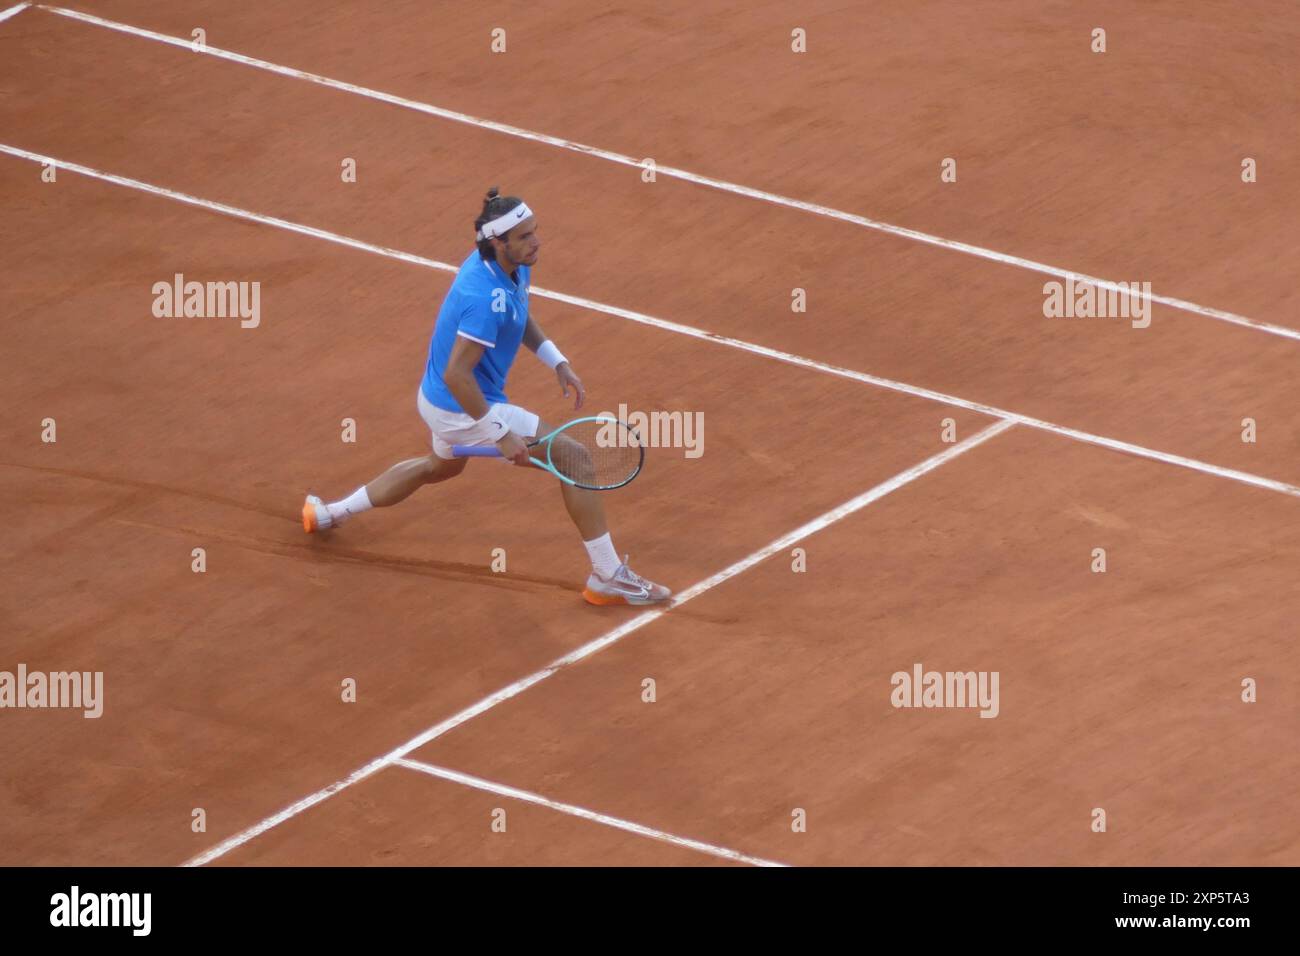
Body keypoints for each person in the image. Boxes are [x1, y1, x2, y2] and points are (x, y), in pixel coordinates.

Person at [302, 187, 671, 607]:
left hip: (440, 401)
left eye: (535, 232)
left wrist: (556, 361)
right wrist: (499, 433)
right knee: (574, 458)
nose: (536, 242)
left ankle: (330, 513)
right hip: (462, 405)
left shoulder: (510, 266)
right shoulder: (481, 298)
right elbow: (458, 374)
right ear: (499, 242)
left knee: (436, 468)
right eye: (526, 236)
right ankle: (607, 575)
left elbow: (519, 312)